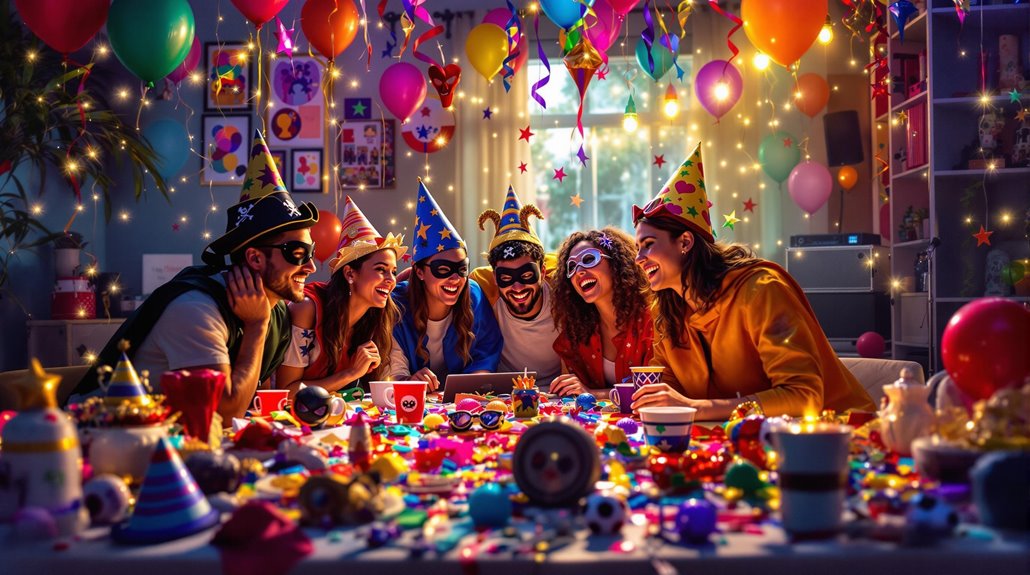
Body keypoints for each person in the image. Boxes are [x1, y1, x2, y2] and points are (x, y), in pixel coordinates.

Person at [72, 131, 320, 421]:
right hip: (104, 442)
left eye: (311, 252)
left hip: (175, 443)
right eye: (298, 253)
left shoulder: (277, 312)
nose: (311, 267)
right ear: (254, 257)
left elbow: (249, 404)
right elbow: (224, 414)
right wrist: (257, 326)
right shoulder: (197, 310)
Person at [630, 142, 876, 419]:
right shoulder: (668, 312)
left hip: (837, 437)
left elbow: (803, 395)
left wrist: (696, 408)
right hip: (743, 441)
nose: (639, 258)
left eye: (648, 244)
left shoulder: (761, 291)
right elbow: (670, 388)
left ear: (685, 242)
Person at [276, 196, 406, 397]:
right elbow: (286, 391)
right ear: (350, 274)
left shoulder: (376, 319)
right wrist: (351, 373)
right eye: (381, 270)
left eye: (394, 272)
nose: (391, 280)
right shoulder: (307, 309)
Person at [389, 180, 502, 390]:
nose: (455, 279)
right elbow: (393, 373)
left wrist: (465, 386)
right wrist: (410, 381)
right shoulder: (397, 303)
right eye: (443, 269)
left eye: (461, 269)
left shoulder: (473, 294)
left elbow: (486, 354)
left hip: (462, 401)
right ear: (420, 271)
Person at [470, 186, 562, 388]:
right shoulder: (483, 288)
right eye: (506, 277)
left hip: (560, 391)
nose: (518, 287)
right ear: (494, 277)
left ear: (543, 272)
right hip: (504, 392)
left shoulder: (561, 287)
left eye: (527, 275)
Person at [550, 227, 654, 397]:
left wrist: (592, 393)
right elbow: (570, 394)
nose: (579, 271)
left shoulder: (651, 319)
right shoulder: (576, 333)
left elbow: (657, 390)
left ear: (616, 263)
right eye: (572, 266)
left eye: (589, 259)